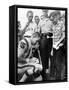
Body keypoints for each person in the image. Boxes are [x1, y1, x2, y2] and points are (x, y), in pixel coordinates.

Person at [49, 11, 65, 80]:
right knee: (54, 62)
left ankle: (58, 78)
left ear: (56, 17)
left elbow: (64, 35)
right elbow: (53, 37)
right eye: (51, 20)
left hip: (60, 45)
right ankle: (55, 77)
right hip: (54, 46)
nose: (52, 21)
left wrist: (58, 43)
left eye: (53, 19)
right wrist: (52, 49)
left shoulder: (61, 24)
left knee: (58, 62)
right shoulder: (52, 25)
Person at [39, 9, 53, 81]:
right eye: (43, 11)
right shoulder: (40, 22)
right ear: (42, 12)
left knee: (50, 55)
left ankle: (50, 72)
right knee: (43, 56)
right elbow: (38, 32)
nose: (44, 12)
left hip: (50, 39)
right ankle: (44, 72)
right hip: (43, 39)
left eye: (45, 11)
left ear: (47, 12)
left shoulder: (51, 21)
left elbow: (54, 31)